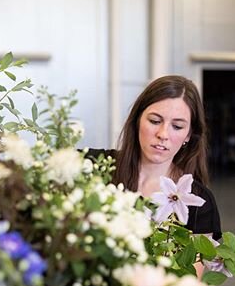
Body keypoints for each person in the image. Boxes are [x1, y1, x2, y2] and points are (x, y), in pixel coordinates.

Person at [88, 75, 221, 240]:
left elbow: (194, 265)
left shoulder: (200, 203)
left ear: (189, 135)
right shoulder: (93, 166)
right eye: (155, 121)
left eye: (177, 126)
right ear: (137, 120)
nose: (163, 134)